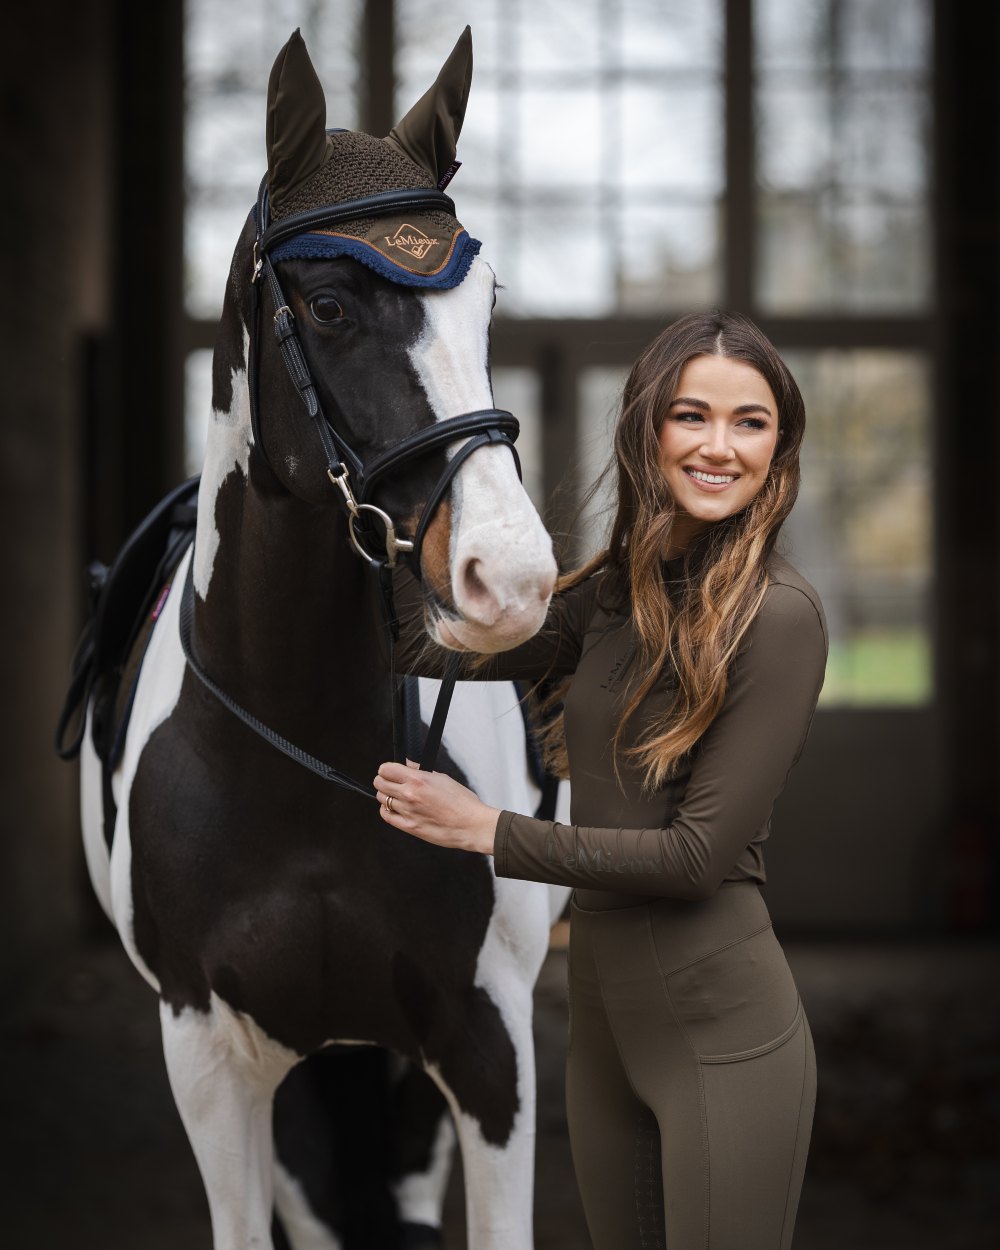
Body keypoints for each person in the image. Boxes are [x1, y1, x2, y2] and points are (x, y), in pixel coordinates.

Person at [375, 310, 827, 1249]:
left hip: (724, 1035)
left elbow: (698, 859)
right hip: (604, 1034)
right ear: (647, 428)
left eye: (750, 423)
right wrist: (353, 505)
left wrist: (486, 830)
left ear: (779, 448)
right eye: (691, 415)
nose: (717, 446)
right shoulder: (616, 592)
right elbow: (426, 637)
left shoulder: (780, 619)